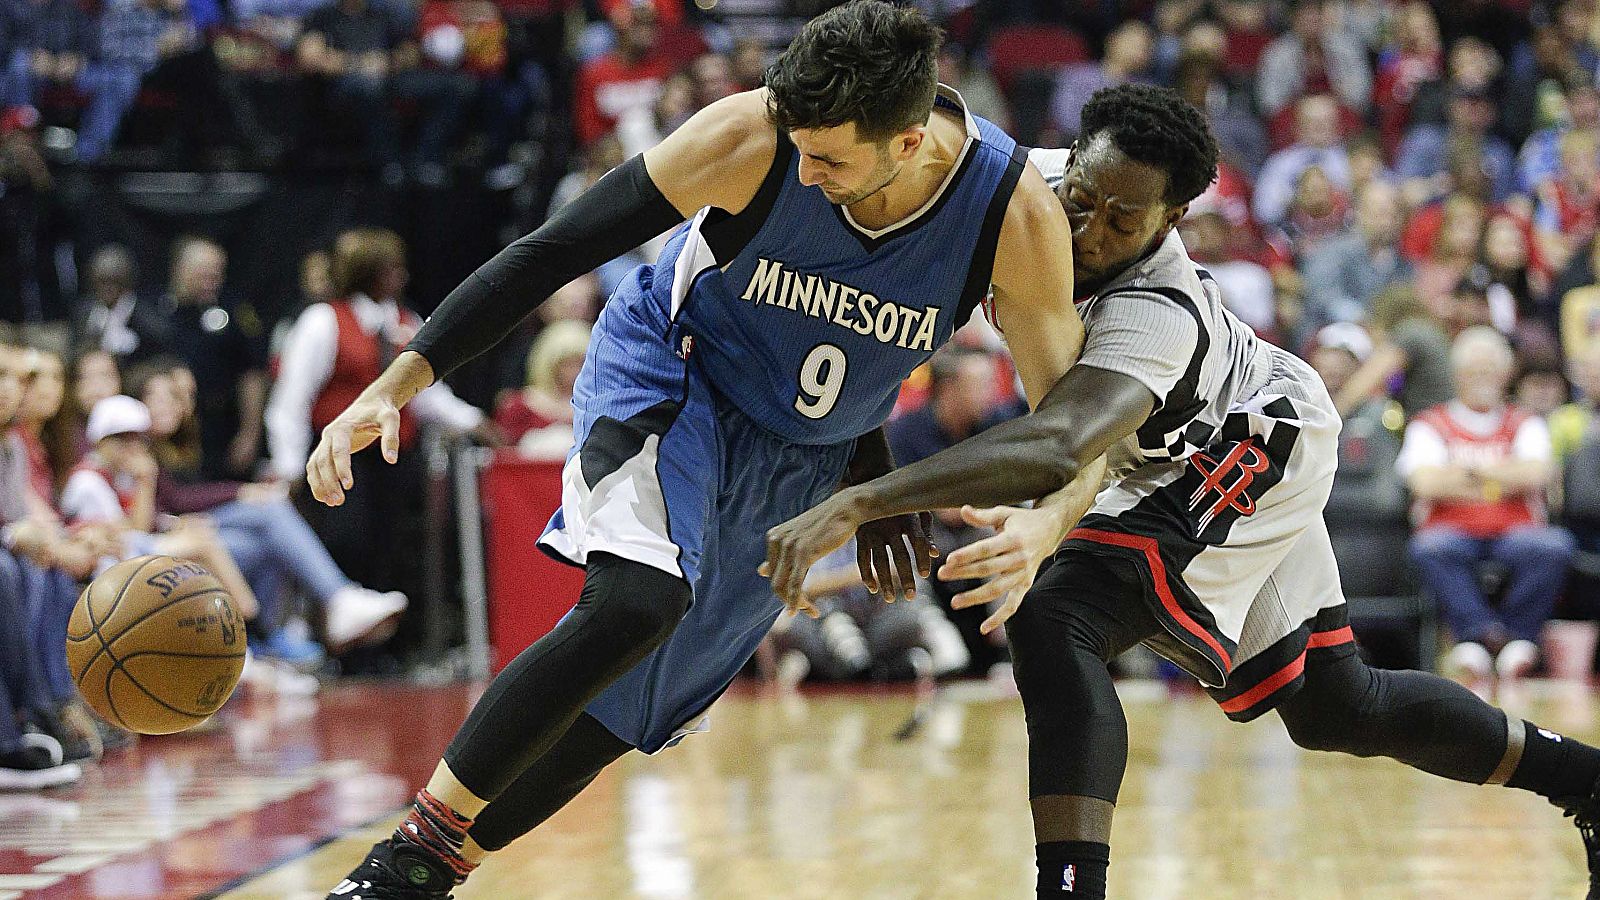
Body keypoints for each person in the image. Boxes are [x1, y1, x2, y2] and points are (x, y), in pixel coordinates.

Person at [308, 3, 1082, 895]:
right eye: (800, 146)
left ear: (909, 145)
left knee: (628, 708)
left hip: (804, 453)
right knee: (635, 603)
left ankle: (423, 877)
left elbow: (1066, 417)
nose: (806, 169)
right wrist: (396, 382)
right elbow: (550, 252)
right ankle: (403, 855)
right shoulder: (752, 135)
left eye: (829, 158)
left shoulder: (1009, 214)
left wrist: (900, 484)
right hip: (677, 374)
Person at [763, 83, 1600, 900]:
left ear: (1173, 222)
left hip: (1248, 442)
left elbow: (1060, 443)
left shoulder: (1156, 308)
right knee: (1337, 708)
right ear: (1074, 161)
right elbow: (927, 159)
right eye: (1083, 199)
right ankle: (1586, 780)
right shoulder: (1029, 186)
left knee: (1059, 619)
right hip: (1170, 452)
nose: (1089, 230)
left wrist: (864, 502)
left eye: (1123, 220)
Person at [1401, 327, 1574, 681]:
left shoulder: (1525, 421)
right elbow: (1424, 482)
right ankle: (1479, 636)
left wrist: (1464, 475)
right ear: (1457, 375)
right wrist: (1502, 477)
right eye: (1474, 370)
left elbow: (1538, 474)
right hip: (1449, 531)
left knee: (1554, 546)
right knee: (1429, 547)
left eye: (1490, 370)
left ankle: (1517, 638)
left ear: (1504, 374)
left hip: (1516, 531)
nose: (1483, 378)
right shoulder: (1429, 423)